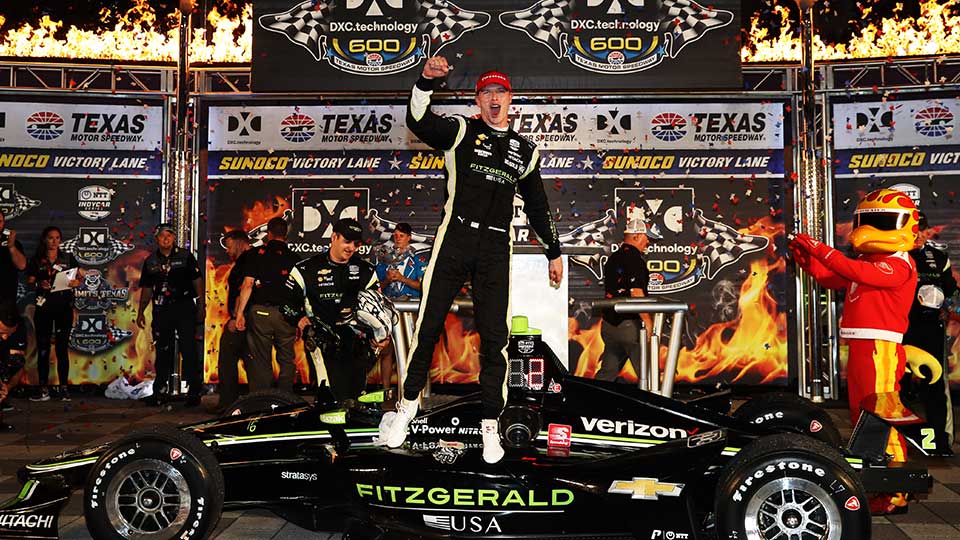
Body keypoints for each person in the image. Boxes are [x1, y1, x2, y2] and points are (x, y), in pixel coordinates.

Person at [384, 56, 563, 464]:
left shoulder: (525, 152)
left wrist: (554, 252)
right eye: (487, 93)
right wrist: (425, 83)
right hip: (455, 240)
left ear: (510, 99)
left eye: (500, 92)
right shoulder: (462, 131)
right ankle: (407, 407)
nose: (494, 99)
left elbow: (539, 206)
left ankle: (489, 426)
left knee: (495, 341)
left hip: (496, 250)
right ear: (478, 100)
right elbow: (418, 121)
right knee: (427, 328)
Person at [789, 188, 935, 514]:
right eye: (868, 220)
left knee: (881, 415)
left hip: (880, 348)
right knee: (863, 417)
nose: (872, 227)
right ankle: (877, 482)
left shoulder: (899, 264)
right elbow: (836, 279)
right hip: (862, 345)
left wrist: (821, 250)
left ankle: (896, 492)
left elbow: (853, 272)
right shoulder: (870, 261)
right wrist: (809, 262)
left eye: (881, 220)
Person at [283, 218, 380, 401]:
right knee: (329, 395)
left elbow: (376, 308)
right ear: (333, 237)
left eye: (355, 243)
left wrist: (379, 334)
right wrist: (300, 319)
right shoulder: (306, 268)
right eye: (347, 241)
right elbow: (286, 303)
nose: (351, 247)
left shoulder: (366, 270)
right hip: (323, 342)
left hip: (357, 344)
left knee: (356, 397)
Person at [903, 212, 956, 450]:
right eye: (917, 229)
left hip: (931, 328)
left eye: (924, 229)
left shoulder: (939, 256)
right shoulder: (895, 256)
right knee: (897, 384)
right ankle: (898, 439)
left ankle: (941, 441)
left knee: (935, 384)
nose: (922, 234)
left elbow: (952, 290)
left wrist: (947, 305)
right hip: (900, 328)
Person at [137, 223, 204, 407]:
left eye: (169, 235)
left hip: (184, 307)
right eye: (162, 236)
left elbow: (197, 280)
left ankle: (194, 391)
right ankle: (159, 391)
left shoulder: (185, 256)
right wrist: (141, 311)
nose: (165, 239)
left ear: (174, 238)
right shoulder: (151, 261)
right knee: (162, 349)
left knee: (188, 348)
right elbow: (147, 289)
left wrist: (201, 306)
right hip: (162, 309)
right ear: (156, 239)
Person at [235, 217, 300, 393]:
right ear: (286, 234)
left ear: (268, 233)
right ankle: (286, 400)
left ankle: (263, 400)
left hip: (261, 313)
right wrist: (300, 318)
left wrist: (240, 313)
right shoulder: (295, 258)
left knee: (261, 360)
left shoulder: (256, 255)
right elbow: (300, 292)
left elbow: (247, 284)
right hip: (286, 315)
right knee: (287, 359)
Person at [27, 226, 81, 402]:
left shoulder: (67, 258)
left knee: (61, 349)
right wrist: (38, 285)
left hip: (63, 308)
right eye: (50, 238)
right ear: (44, 239)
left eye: (57, 238)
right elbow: (29, 283)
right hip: (43, 308)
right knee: (43, 348)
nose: (54, 241)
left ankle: (63, 388)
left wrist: (75, 283)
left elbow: (78, 278)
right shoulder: (36, 260)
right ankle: (43, 389)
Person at [598, 218, 653, 382]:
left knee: (606, 375)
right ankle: (656, 406)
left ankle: (585, 403)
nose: (649, 241)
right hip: (629, 327)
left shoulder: (613, 258)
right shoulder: (635, 259)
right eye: (646, 237)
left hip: (609, 327)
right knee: (649, 378)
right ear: (636, 236)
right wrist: (648, 322)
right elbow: (636, 293)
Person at [374, 222, 425, 389]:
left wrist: (402, 279)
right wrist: (388, 279)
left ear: (409, 238)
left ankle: (412, 391)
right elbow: (376, 286)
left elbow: (422, 286)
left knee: (413, 349)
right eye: (395, 235)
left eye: (401, 236)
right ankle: (386, 390)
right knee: (387, 349)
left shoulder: (417, 259)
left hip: (411, 309)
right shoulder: (385, 259)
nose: (397, 239)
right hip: (389, 308)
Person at [215, 229, 254, 412]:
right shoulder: (249, 259)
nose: (227, 251)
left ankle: (228, 404)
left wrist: (237, 316)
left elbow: (243, 289)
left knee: (228, 359)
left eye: (229, 247)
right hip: (248, 319)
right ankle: (251, 404)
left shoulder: (246, 261)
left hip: (241, 320)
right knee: (252, 362)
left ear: (239, 243)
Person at [0, 209, 26, 303]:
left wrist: (11, 247)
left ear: (3, 223)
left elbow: (22, 266)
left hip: (6, 298)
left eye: (0, 221)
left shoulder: (13, 243)